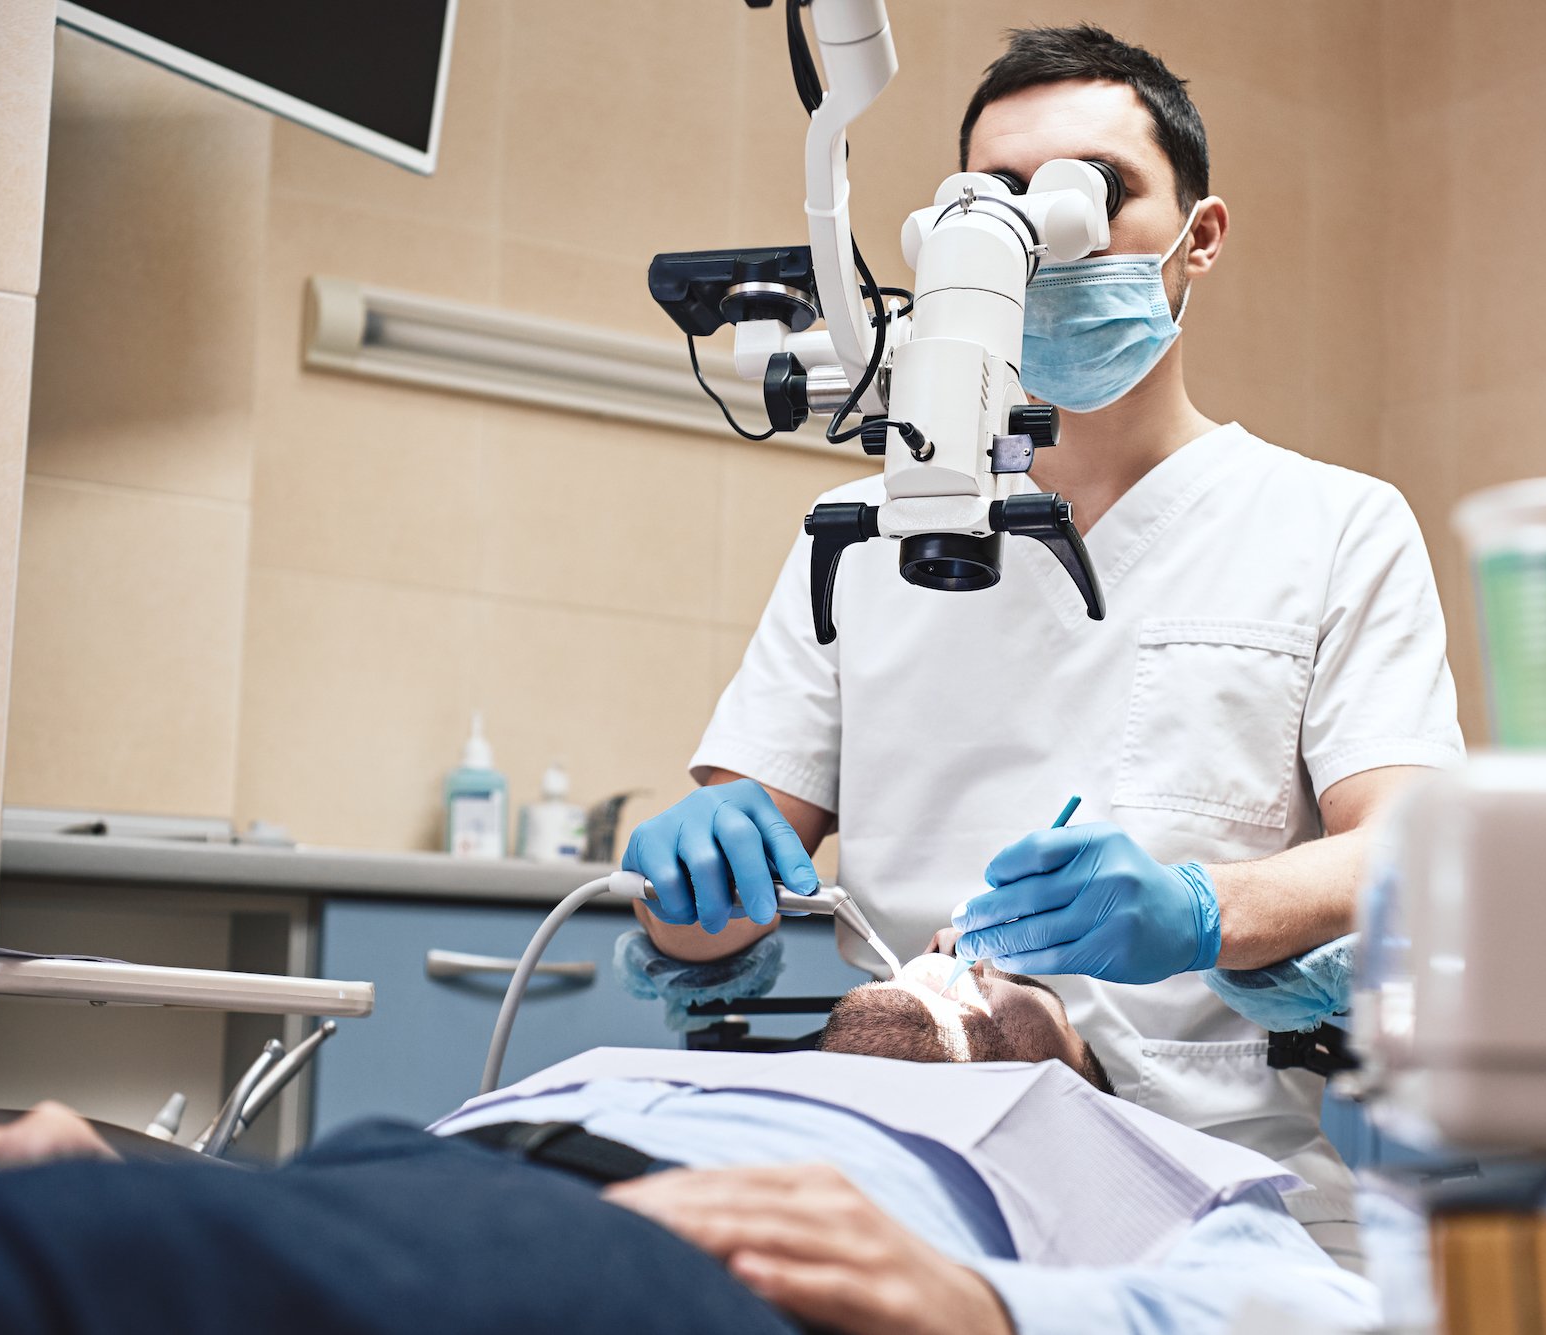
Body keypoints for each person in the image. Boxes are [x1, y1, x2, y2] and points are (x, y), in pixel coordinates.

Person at [623, 24, 1464, 1262]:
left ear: (1199, 236)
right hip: (906, 1127)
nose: (1043, 235)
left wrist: (1198, 909)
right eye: (998, 199)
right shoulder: (864, 532)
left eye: (1094, 190)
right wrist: (691, 880)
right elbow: (710, 934)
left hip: (1217, 1165)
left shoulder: (1330, 523)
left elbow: (1412, 851)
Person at [0, 955, 1380, 1335]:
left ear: (1074, 1064)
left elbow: (1323, 1313)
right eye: (940, 945)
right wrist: (177, 1185)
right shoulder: (711, 1073)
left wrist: (992, 1306)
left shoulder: (1133, 1156)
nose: (949, 950)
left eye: (1001, 977)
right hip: (374, 1183)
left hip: (677, 1254)